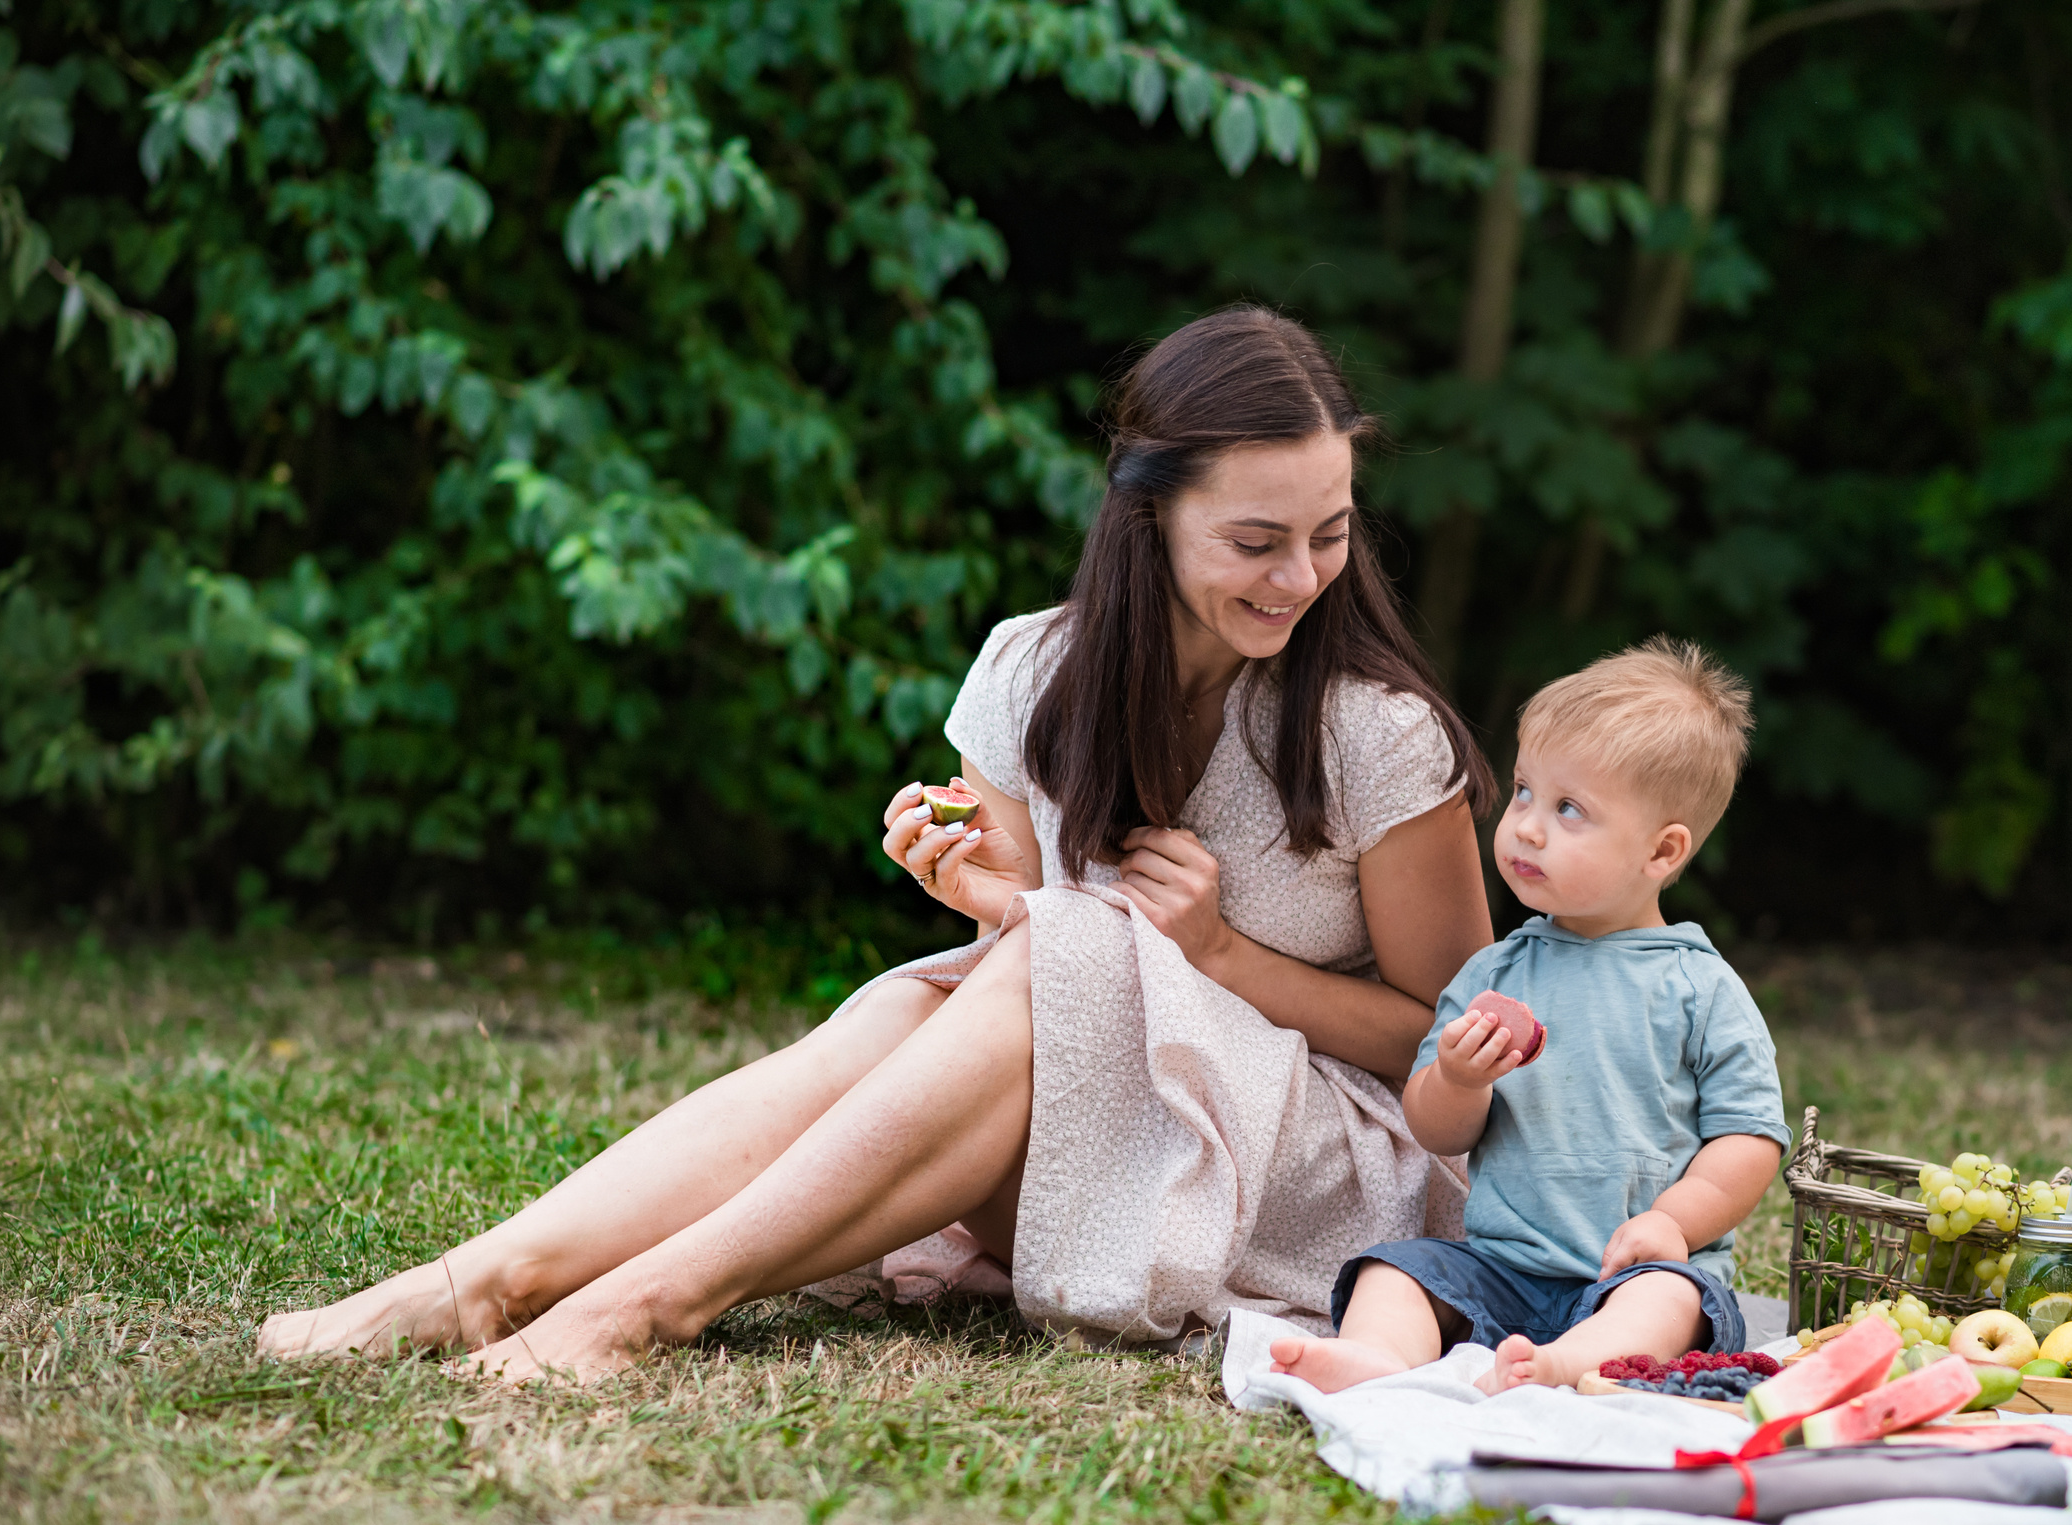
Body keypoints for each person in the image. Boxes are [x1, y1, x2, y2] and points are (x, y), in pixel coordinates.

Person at [255, 307, 1497, 1378]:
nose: (1300, 576)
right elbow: (1032, 988)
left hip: (1318, 1181)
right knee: (931, 1002)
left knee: (1036, 959)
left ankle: (640, 1303)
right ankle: (489, 1277)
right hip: (1092, 1146)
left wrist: (1222, 954)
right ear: (1147, 515)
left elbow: (1454, 1044)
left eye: (1328, 532)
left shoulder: (1373, 734)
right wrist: (994, 897)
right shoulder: (1030, 671)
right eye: (1255, 539)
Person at [1268, 641, 1790, 1396]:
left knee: (1672, 1302)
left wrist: (1674, 1222)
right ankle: (1380, 1359)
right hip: (1502, 1267)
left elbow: (1749, 1136)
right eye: (1523, 792)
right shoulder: (1494, 973)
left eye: (1568, 809)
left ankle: (1565, 1365)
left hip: (1635, 1270)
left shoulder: (1697, 986)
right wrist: (1455, 1077)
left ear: (1662, 850)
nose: (1527, 827)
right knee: (1397, 1267)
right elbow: (1439, 1129)